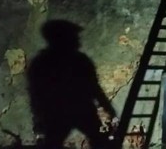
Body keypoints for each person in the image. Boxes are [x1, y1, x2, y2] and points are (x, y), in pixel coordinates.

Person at [27, 20, 118, 149]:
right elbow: (94, 88)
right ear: (62, 38)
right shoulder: (79, 60)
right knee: (98, 141)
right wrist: (108, 108)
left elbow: (35, 93)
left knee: (53, 143)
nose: (77, 40)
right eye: (73, 36)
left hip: (58, 111)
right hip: (77, 109)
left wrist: (39, 115)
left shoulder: (41, 62)